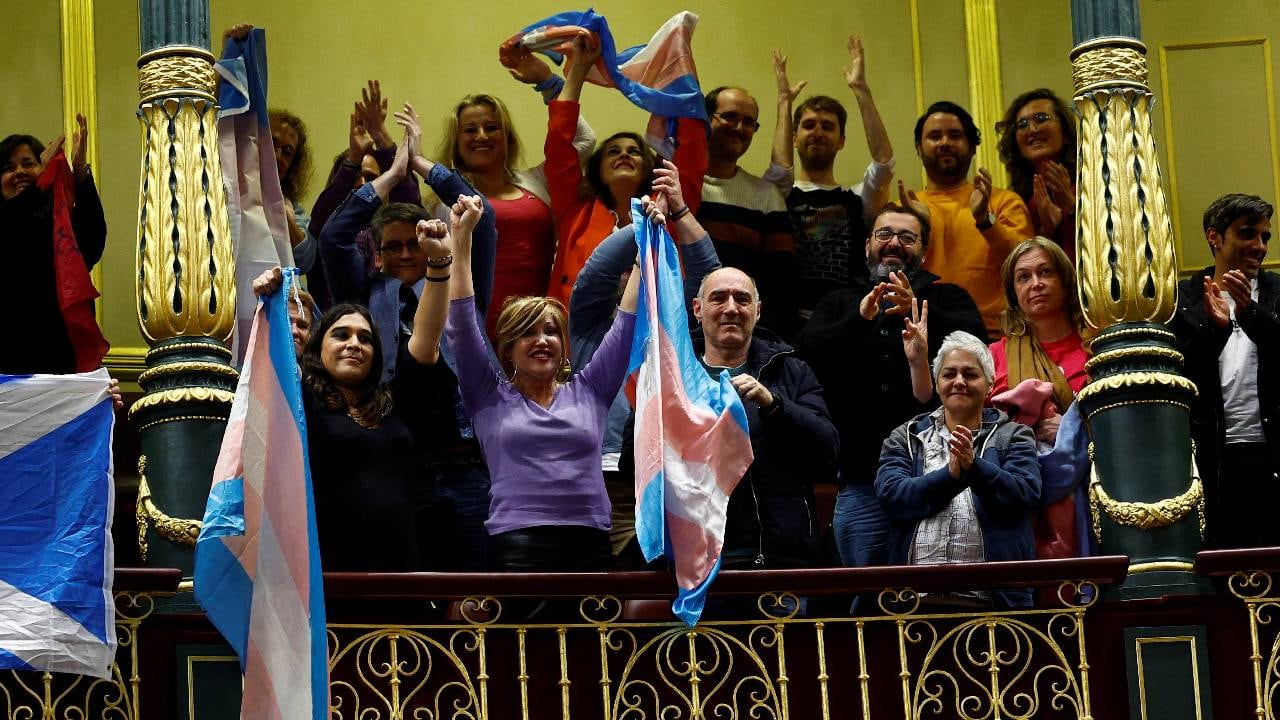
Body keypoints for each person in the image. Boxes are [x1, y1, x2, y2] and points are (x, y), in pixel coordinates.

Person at [250, 200, 461, 571]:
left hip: (401, 571)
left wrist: (440, 263)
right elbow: (273, 361)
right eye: (341, 335)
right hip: (328, 573)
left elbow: (426, 339)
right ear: (319, 347)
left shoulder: (395, 402)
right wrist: (269, 304)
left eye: (365, 338)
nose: (354, 344)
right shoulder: (303, 399)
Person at [441, 193, 644, 571]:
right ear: (508, 348)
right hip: (518, 546)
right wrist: (462, 237)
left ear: (563, 345)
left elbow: (625, 323)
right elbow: (463, 325)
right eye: (527, 333)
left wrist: (644, 249)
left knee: (588, 635)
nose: (542, 340)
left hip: (591, 544)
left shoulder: (591, 391)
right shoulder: (487, 396)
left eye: (551, 331)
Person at [794, 203, 984, 567]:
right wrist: (860, 318)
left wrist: (918, 307)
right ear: (867, 245)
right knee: (867, 594)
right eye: (884, 235)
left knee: (938, 592)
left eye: (907, 237)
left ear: (923, 252)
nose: (894, 243)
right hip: (860, 478)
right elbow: (806, 355)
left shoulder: (948, 297)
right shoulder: (838, 301)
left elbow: (975, 348)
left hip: (939, 475)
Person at [570, 161, 721, 567]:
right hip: (610, 490)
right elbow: (594, 275)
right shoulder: (590, 328)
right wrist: (641, 228)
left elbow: (710, 279)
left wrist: (679, 213)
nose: (638, 277)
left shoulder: (677, 330)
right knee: (603, 604)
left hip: (677, 486)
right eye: (632, 270)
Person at [435, 51, 596, 341]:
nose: (482, 136)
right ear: (457, 143)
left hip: (541, 331)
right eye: (470, 130)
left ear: (507, 137)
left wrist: (549, 83)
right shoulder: (443, 201)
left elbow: (583, 141)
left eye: (491, 127)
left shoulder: (537, 181)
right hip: (476, 335)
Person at [687, 266, 840, 568]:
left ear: (757, 311)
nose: (731, 308)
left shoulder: (790, 370)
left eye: (742, 299)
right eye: (719, 298)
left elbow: (829, 451)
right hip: (692, 558)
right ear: (697, 309)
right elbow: (632, 456)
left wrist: (774, 405)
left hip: (776, 556)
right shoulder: (674, 373)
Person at [875, 331, 1041, 607]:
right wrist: (951, 476)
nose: (959, 382)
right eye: (949, 374)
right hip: (915, 601)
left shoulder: (1015, 435)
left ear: (989, 385)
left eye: (970, 374)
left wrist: (974, 468)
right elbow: (891, 495)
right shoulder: (905, 436)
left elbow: (1024, 494)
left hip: (994, 600)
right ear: (937, 383)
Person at [544, 32, 706, 312]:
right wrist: (579, 71)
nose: (623, 154)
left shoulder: (667, 205)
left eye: (633, 151)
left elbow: (692, 150)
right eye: (613, 151)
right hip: (576, 343)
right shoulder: (575, 210)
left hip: (651, 343)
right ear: (597, 170)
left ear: (648, 168)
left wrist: (678, 71)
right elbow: (559, 146)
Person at [1170, 193, 1279, 549]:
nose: (1259, 246)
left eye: (1265, 237)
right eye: (1247, 234)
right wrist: (1213, 331)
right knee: (1224, 565)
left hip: (1272, 452)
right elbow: (1180, 376)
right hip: (1213, 456)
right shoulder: (1183, 301)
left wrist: (1250, 315)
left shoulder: (1278, 293)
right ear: (1213, 237)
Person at [901, 101, 1033, 339]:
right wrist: (920, 229)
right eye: (934, 136)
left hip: (998, 337)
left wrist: (985, 220)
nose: (944, 143)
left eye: (954, 135)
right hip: (922, 335)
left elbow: (1026, 263)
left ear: (972, 147)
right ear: (919, 148)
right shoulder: (905, 207)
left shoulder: (1003, 201)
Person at [786, 35, 895, 317]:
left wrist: (861, 90)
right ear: (794, 137)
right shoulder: (776, 193)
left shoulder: (858, 199)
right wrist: (783, 103)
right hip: (788, 320)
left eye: (827, 126)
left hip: (843, 320)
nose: (818, 132)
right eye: (809, 125)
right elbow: (778, 167)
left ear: (842, 139)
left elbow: (883, 164)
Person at [698, 58, 801, 337]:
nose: (740, 128)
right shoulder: (675, 184)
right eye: (730, 117)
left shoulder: (765, 197)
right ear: (706, 119)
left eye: (749, 122)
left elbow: (781, 282)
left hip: (742, 339)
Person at [0, 116, 107, 375]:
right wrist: (38, 186)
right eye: (8, 167)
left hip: (60, 364)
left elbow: (91, 244)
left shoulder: (58, 227)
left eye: (28, 164)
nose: (20, 173)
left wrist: (80, 172)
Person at [307, 81, 423, 309]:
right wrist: (352, 157)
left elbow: (412, 207)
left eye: (371, 179)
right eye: (353, 178)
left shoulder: (393, 231)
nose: (361, 185)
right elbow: (323, 224)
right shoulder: (330, 229)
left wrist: (383, 138)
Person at [996, 89, 1078, 260]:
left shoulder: (1096, 181)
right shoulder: (1016, 201)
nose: (1032, 130)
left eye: (1041, 119)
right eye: (1022, 125)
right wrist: (1047, 232)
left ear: (1066, 133)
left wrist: (1071, 207)